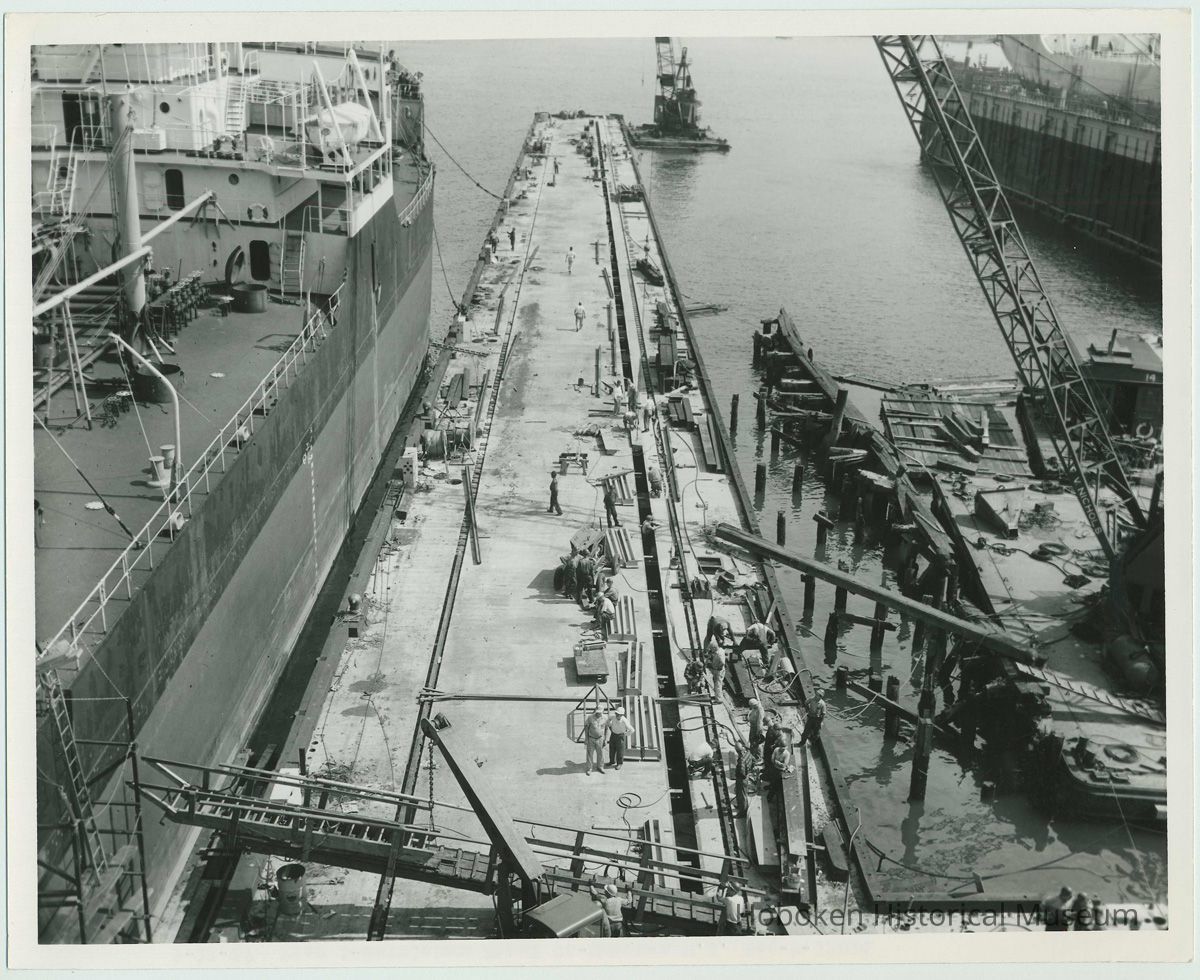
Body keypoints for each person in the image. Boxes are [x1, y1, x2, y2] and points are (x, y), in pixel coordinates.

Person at [583, 709, 607, 775]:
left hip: (600, 739)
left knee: (600, 754)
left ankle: (600, 767)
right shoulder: (590, 717)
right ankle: (589, 768)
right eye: (597, 712)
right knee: (589, 754)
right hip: (591, 738)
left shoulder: (605, 718)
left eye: (600, 713)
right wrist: (586, 738)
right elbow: (586, 727)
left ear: (602, 712)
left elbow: (606, 728)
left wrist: (605, 739)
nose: (598, 714)